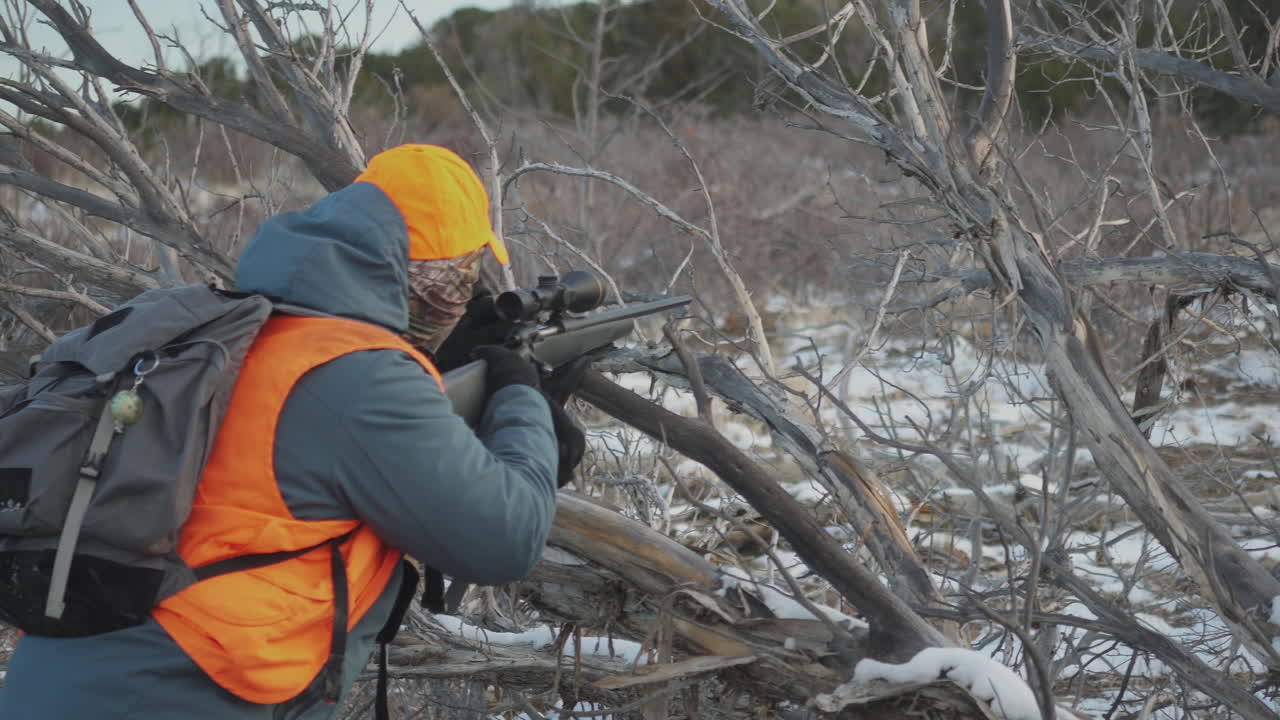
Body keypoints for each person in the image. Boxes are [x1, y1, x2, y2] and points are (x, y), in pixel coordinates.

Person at [0, 145, 566, 718]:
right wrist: (523, 398)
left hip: (62, 674)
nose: (459, 295)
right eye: (457, 278)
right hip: (174, 691)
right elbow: (505, 539)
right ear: (419, 276)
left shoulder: (238, 327)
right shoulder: (362, 378)